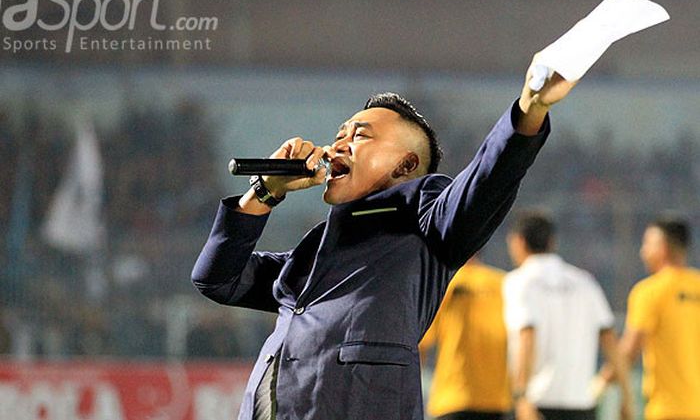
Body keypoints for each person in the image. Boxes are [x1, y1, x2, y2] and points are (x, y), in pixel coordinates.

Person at [191, 62, 576, 420]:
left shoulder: (422, 222)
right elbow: (217, 278)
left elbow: (485, 184)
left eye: (359, 136)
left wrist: (529, 108)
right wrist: (265, 193)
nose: (337, 145)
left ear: (406, 165)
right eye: (339, 134)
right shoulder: (312, 255)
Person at [503, 211, 632, 420]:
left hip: (538, 404)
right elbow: (610, 343)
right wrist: (626, 398)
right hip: (582, 405)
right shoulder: (585, 282)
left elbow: (528, 336)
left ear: (518, 242)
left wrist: (521, 396)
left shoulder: (518, 282)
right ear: (552, 242)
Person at [617, 218, 700, 420]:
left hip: (667, 411)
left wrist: (601, 382)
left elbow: (628, 352)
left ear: (662, 248)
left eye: (647, 244)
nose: (642, 252)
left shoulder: (649, 292)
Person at [419, 255, 511, 420]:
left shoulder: (445, 283)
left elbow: (420, 342)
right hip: (496, 400)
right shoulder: (504, 283)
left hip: (453, 396)